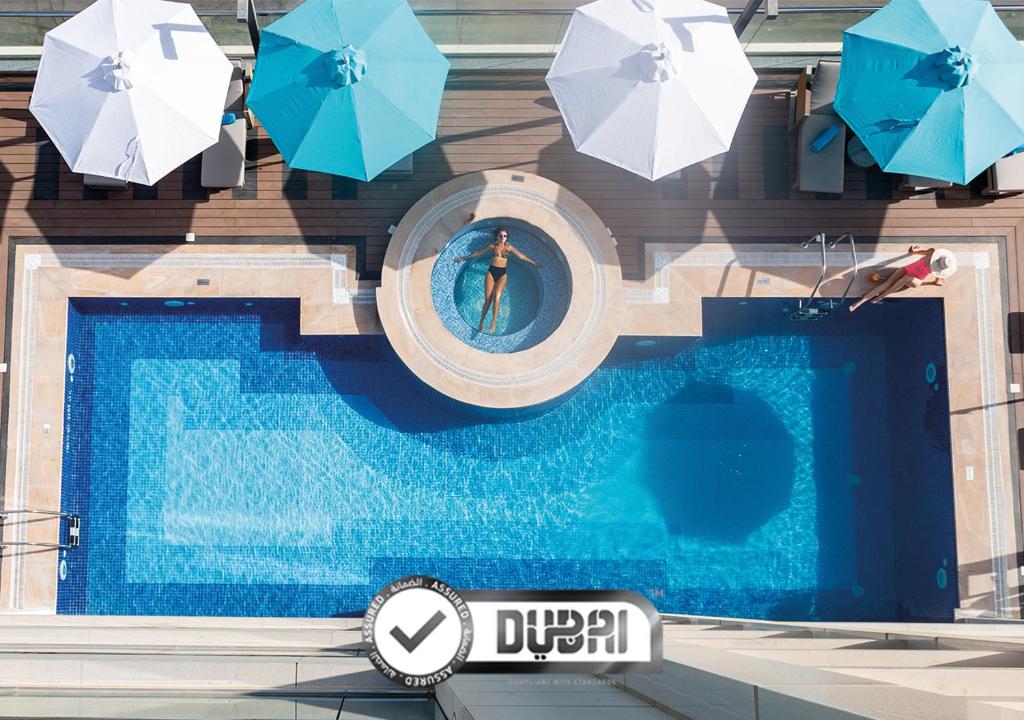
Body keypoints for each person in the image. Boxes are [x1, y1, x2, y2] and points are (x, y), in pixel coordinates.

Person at [453, 226, 541, 333]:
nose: (503, 237)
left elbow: (521, 256)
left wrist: (533, 263)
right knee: (488, 299)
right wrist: (463, 258)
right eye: (501, 235)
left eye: (505, 236)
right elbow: (478, 253)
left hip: (502, 275)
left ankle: (493, 322)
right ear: (497, 237)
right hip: (491, 272)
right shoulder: (492, 246)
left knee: (497, 297)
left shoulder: (509, 248)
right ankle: (481, 321)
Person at [848, 245, 957, 312]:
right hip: (908, 269)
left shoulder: (938, 270)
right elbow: (916, 253)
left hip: (916, 280)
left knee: (906, 278)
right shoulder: (931, 252)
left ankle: (881, 296)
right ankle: (859, 303)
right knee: (888, 283)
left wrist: (936, 282)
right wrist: (913, 251)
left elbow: (938, 276)